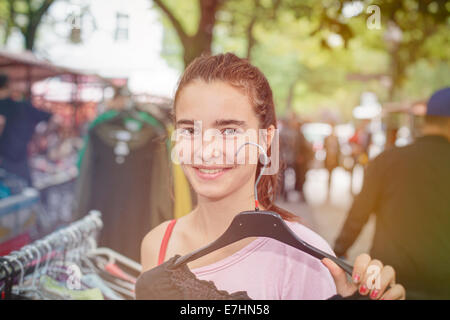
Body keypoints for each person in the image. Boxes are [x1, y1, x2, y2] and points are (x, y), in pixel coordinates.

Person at [139, 53, 405, 300]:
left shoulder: (304, 256)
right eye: (189, 130)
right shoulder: (156, 243)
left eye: (229, 131)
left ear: (266, 139)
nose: (207, 150)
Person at [334, 87, 450, 300]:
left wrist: (339, 250)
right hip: (442, 286)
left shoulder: (387, 160)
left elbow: (358, 214)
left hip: (386, 282)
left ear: (426, 120)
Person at [0, 74, 52, 186]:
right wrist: (41, 137)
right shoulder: (23, 106)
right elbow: (55, 119)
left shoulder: (10, 106)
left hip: (6, 161)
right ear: (8, 86)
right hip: (20, 161)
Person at [324, 124, 341, 199]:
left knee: (331, 174)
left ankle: (329, 187)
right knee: (329, 174)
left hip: (334, 158)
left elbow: (338, 149)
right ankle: (328, 187)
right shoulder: (327, 138)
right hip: (328, 158)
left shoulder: (336, 138)